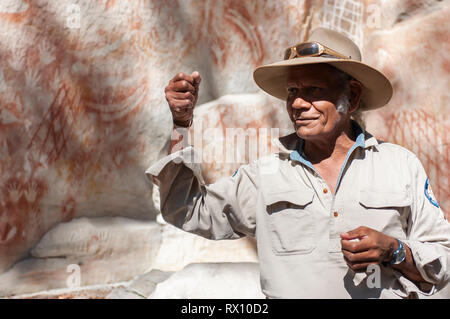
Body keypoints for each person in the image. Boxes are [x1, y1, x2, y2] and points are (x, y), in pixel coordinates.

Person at [146, 28, 450, 298]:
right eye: (293, 91)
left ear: (352, 97)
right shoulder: (264, 175)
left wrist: (394, 250)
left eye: (313, 90)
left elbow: (443, 259)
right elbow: (188, 210)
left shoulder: (400, 165)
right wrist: (180, 125)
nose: (298, 103)